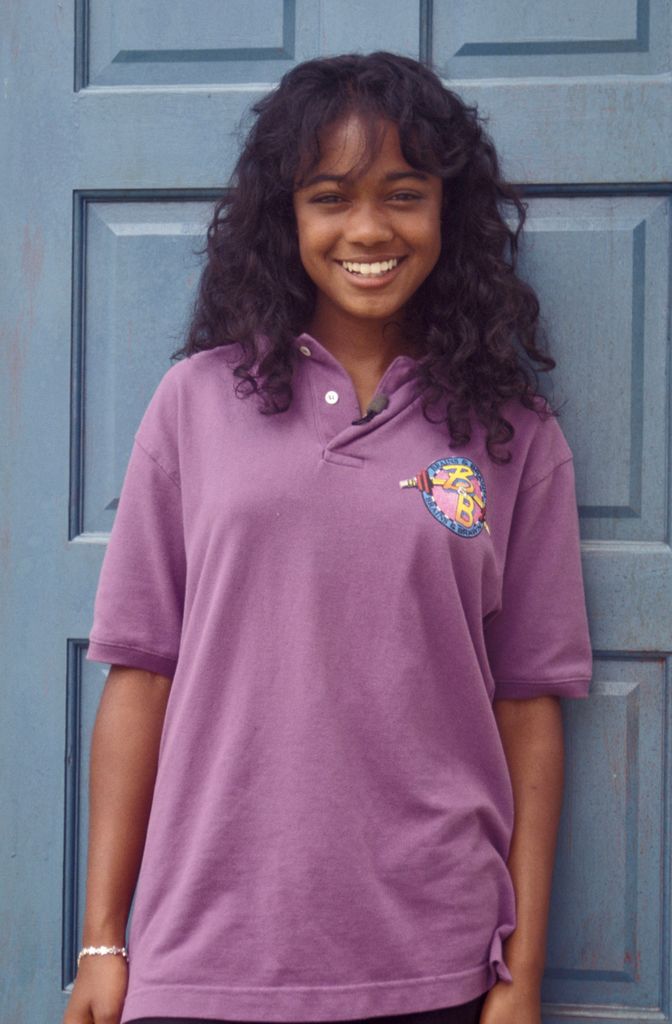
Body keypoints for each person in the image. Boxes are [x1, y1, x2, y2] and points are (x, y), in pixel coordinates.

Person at [63, 51, 592, 1024]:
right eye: (330, 195)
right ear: (287, 216)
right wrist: (103, 940)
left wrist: (519, 978)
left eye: (403, 193)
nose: (368, 229)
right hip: (206, 956)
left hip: (433, 957)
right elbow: (139, 673)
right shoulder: (194, 404)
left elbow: (529, 708)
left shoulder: (513, 435)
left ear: (447, 213)